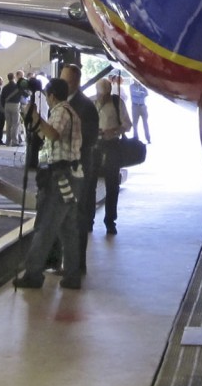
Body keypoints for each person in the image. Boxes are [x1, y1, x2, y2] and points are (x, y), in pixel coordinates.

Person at [16, 77, 86, 289]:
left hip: (59, 176)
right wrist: (36, 123)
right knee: (67, 227)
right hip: (72, 175)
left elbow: (53, 135)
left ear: (51, 95)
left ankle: (33, 274)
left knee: (45, 226)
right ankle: (73, 274)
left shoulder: (60, 111)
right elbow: (48, 135)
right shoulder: (70, 111)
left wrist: (36, 118)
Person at [62, 64, 100, 269]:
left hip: (79, 167)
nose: (64, 85)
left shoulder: (85, 106)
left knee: (78, 215)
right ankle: (69, 263)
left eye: (67, 82)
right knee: (68, 215)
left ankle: (76, 265)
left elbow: (88, 138)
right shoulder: (65, 103)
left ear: (76, 82)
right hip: (68, 166)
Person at [93, 78, 132, 237]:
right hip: (94, 146)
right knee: (90, 185)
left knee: (112, 186)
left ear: (110, 91)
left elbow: (128, 125)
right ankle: (88, 220)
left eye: (106, 94)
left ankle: (110, 221)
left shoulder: (118, 103)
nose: (103, 97)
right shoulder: (91, 103)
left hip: (112, 146)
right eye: (101, 94)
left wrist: (115, 131)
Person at [128, 74, 151, 144]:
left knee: (145, 123)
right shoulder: (131, 86)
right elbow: (136, 94)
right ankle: (135, 138)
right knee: (135, 123)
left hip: (143, 106)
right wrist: (141, 93)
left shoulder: (143, 86)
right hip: (135, 106)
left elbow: (146, 94)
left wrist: (141, 92)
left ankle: (148, 138)